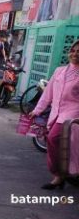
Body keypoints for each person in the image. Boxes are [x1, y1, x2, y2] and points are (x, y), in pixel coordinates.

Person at [30, 40, 79, 189]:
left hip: (73, 113)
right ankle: (60, 175)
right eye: (73, 51)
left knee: (54, 138)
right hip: (56, 113)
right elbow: (48, 93)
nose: (75, 54)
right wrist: (37, 110)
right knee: (54, 141)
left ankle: (61, 175)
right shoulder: (59, 71)